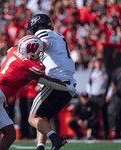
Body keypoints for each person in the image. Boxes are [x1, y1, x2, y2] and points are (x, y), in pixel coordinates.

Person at [27, 14, 76, 150]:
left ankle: (55, 139)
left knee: (32, 118)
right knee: (41, 118)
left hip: (56, 81)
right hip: (68, 85)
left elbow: (40, 44)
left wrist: (25, 50)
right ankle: (40, 147)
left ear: (37, 26)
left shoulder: (44, 33)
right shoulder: (58, 36)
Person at [106, 54, 121, 139]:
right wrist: (110, 94)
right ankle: (118, 135)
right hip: (119, 97)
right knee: (118, 116)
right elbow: (113, 83)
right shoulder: (118, 71)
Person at [86, 57, 109, 139]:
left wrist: (108, 95)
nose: (98, 65)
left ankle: (106, 134)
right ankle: (94, 133)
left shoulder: (105, 73)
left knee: (104, 116)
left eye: (99, 63)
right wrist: (89, 95)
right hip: (94, 97)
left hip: (102, 97)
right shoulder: (93, 73)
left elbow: (110, 85)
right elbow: (89, 84)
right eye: (97, 63)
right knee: (93, 116)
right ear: (95, 64)